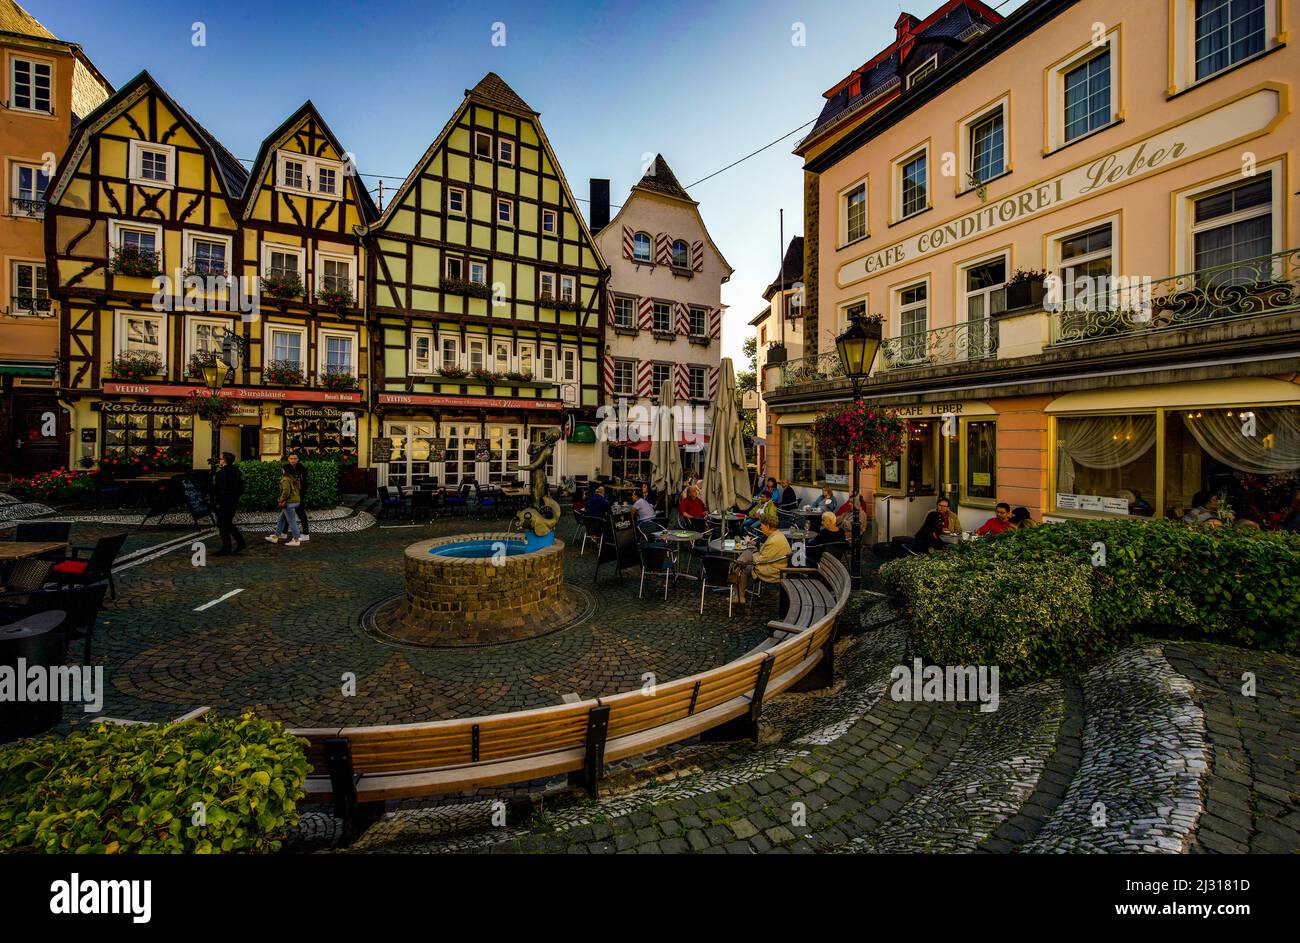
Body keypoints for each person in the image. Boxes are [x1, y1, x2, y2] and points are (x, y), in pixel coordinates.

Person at [731, 509, 790, 601]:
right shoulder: (777, 535)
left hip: (771, 570)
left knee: (741, 568)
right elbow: (767, 553)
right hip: (776, 566)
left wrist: (754, 552)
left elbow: (759, 560)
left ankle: (739, 596)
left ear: (768, 526)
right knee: (745, 556)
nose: (761, 527)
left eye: (762, 525)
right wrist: (756, 546)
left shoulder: (773, 540)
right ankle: (736, 567)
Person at [211, 452, 246, 555]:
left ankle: (227, 547)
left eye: (221, 459)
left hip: (224, 502)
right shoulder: (236, 471)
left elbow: (219, 490)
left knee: (223, 524)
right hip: (233, 501)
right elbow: (240, 488)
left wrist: (217, 501)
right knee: (228, 523)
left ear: (224, 461)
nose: (220, 460)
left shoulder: (221, 473)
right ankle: (239, 543)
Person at [266, 464, 303, 546]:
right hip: (296, 501)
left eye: (283, 469)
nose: (282, 471)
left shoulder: (285, 479)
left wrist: (280, 500)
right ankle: (275, 537)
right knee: (281, 519)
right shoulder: (294, 478)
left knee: (292, 521)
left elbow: (286, 492)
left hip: (289, 503)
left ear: (285, 470)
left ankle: (296, 540)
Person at [285, 452, 310, 541]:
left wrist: (301, 495)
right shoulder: (286, 468)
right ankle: (283, 532)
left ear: (298, 459)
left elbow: (305, 483)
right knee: (285, 514)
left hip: (299, 495)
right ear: (288, 459)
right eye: (291, 458)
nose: (293, 460)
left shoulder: (302, 468)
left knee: (301, 513)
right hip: (289, 494)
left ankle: (306, 534)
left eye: (295, 458)